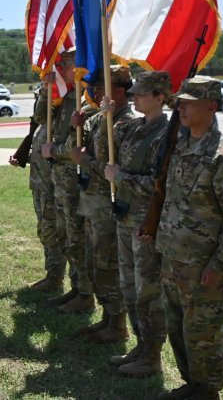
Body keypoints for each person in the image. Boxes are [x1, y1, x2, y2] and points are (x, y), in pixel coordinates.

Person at [152, 76, 223, 400]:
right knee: (178, 330)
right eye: (180, 101)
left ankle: (208, 391)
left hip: (203, 270)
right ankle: (193, 385)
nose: (181, 106)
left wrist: (221, 265)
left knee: (203, 335)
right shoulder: (180, 147)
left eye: (189, 101)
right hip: (174, 261)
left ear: (211, 106)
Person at [103, 71, 172, 376]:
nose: (135, 98)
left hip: (146, 223)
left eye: (142, 94)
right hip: (126, 215)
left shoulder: (165, 135)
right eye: (134, 94)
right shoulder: (134, 126)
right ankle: (141, 346)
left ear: (160, 98)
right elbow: (108, 140)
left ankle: (152, 355)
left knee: (147, 291)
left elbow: (160, 183)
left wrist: (121, 177)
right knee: (129, 286)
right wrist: (105, 113)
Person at [70, 65, 136, 344]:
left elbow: (112, 167)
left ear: (119, 91)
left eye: (101, 89)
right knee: (96, 264)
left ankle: (118, 324)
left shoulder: (126, 124)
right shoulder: (103, 118)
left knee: (108, 266)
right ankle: (107, 319)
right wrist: (78, 124)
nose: (95, 93)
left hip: (108, 208)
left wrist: (84, 161)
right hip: (93, 205)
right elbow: (88, 132)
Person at [41, 48, 94, 312]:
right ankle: (76, 289)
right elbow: (43, 118)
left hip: (73, 181)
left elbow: (76, 148)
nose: (59, 68)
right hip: (61, 180)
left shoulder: (86, 100)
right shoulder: (65, 98)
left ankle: (85, 294)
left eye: (66, 64)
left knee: (77, 238)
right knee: (66, 235)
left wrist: (54, 152)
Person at [10, 88, 66, 293]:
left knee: (52, 231)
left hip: (51, 187)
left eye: (41, 99)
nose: (38, 103)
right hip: (39, 185)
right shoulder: (41, 125)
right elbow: (36, 148)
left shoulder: (56, 123)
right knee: (44, 230)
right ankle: (51, 275)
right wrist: (21, 157)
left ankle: (56, 278)